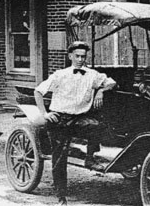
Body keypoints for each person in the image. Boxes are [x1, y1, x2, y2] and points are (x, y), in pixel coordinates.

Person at [34, 41, 116, 206]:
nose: (80, 59)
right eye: (77, 56)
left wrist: (100, 90)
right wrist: (45, 113)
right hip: (60, 119)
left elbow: (111, 82)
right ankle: (61, 197)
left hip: (78, 118)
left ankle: (89, 158)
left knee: (98, 126)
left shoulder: (92, 74)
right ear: (70, 56)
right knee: (60, 158)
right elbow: (38, 91)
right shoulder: (60, 75)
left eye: (83, 56)